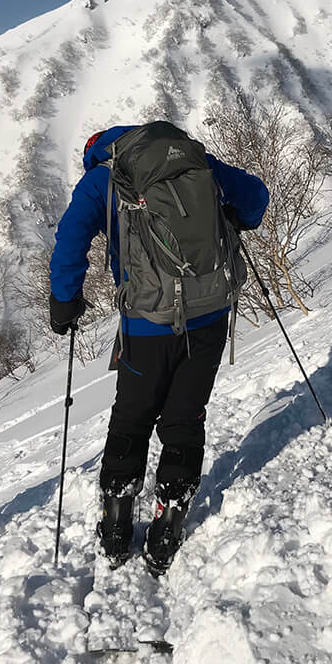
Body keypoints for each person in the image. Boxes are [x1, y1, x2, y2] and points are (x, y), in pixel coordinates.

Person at [49, 123, 268, 574]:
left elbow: (70, 239)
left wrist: (64, 302)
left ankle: (115, 524)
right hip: (209, 314)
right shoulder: (194, 162)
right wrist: (230, 219)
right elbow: (255, 199)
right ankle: (169, 522)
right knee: (184, 417)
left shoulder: (102, 179)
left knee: (132, 417)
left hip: (146, 324)